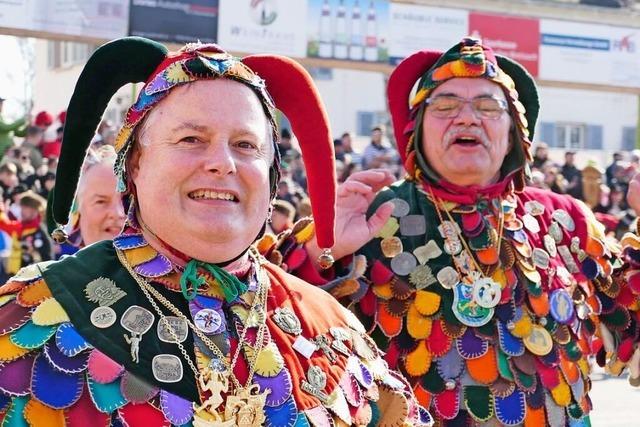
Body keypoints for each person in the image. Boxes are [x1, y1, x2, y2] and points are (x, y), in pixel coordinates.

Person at [0, 37, 430, 426]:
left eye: (245, 145)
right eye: (191, 139)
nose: (222, 163)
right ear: (134, 166)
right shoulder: (26, 316)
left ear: (271, 177)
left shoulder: (338, 333)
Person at [271, 38, 640, 425]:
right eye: (445, 106)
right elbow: (267, 331)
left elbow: (628, 322)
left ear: (515, 132)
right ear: (417, 130)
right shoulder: (370, 217)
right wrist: (322, 251)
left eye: (487, 107)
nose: (466, 118)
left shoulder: (566, 219)